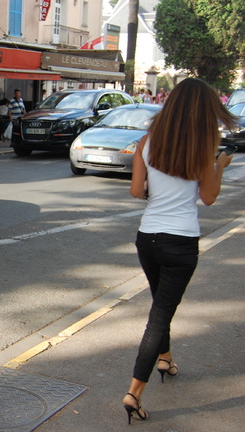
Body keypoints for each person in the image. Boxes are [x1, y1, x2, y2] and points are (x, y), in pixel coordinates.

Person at [123, 78, 237, 424]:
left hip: (148, 238)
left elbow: (135, 191)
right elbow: (209, 198)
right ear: (203, 113)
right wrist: (219, 166)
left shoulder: (146, 142)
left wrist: (157, 192)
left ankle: (165, 359)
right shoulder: (203, 147)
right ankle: (134, 392)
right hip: (181, 241)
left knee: (161, 303)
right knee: (159, 316)